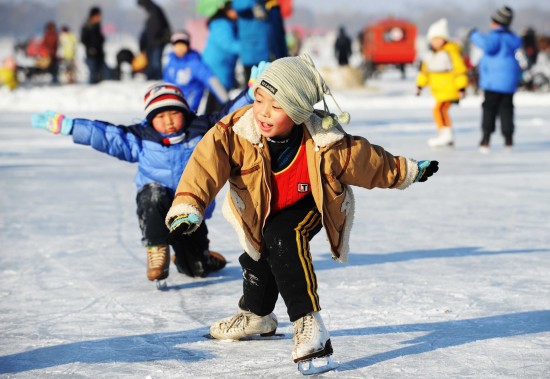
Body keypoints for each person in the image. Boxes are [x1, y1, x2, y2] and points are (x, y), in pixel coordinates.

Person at [165, 53, 439, 372]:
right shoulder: (235, 131)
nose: (263, 112)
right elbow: (204, 166)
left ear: (297, 112)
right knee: (257, 256)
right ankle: (257, 316)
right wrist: (190, 205)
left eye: (277, 106)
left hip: (308, 204)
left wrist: (404, 171)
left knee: (283, 236)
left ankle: (309, 325)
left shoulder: (326, 139)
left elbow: (367, 162)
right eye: (259, 99)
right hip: (257, 209)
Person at [31, 80, 258, 284]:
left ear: (185, 112)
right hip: (155, 204)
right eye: (160, 116)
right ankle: (157, 249)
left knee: (195, 270)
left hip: (190, 211)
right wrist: (71, 126)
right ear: (150, 119)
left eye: (174, 113)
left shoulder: (202, 130)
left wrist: (250, 93)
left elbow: (229, 114)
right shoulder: (141, 138)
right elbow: (109, 136)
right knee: (153, 193)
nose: (168, 121)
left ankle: (200, 258)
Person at [469, 6, 522, 153]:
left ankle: (485, 139)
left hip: (493, 82)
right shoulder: (512, 37)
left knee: (489, 109)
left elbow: (488, 47)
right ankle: (508, 139)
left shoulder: (494, 36)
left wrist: (473, 35)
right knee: (507, 109)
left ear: (497, 22)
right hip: (508, 81)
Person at [416, 18, 468, 148]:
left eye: (438, 39)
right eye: (433, 39)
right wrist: (419, 86)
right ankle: (445, 134)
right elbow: (425, 72)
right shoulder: (431, 55)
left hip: (450, 89)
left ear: (444, 39)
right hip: (438, 91)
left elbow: (459, 70)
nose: (436, 42)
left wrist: (461, 87)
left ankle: (446, 134)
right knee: (440, 110)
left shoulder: (450, 52)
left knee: (439, 109)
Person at [163, 30, 229, 113]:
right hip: (174, 104)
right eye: (177, 45)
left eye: (183, 45)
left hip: (189, 108)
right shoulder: (171, 63)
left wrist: (226, 100)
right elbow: (167, 83)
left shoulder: (195, 63)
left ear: (188, 46)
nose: (180, 48)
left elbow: (211, 80)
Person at [202, 1, 241, 112]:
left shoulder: (227, 23)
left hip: (222, 65)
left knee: (216, 96)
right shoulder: (221, 24)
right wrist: (246, 48)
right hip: (217, 66)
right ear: (227, 10)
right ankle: (212, 123)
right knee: (218, 97)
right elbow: (228, 44)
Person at [137, 0, 171, 81]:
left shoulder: (155, 11)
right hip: (151, 44)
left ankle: (157, 81)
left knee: (156, 65)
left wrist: (160, 40)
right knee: (153, 64)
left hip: (156, 44)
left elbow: (156, 30)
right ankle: (153, 80)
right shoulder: (152, 12)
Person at [81, 6, 106, 84]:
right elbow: (84, 39)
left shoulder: (97, 26)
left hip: (99, 54)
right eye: (98, 16)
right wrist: (91, 48)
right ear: (93, 16)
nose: (99, 18)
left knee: (102, 75)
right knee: (93, 75)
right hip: (91, 55)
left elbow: (99, 39)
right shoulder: (87, 26)